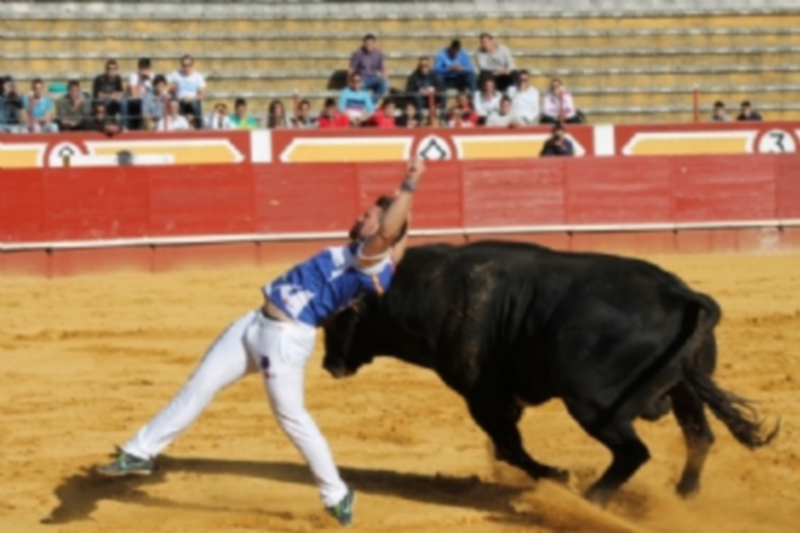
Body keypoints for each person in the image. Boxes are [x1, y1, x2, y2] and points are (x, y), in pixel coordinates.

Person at [96, 158, 427, 528]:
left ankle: (336, 493)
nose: (361, 217)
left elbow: (388, 235)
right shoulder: (379, 259)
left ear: (380, 227)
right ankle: (140, 452)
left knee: (292, 418)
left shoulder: (368, 259)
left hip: (285, 339)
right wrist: (406, 205)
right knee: (200, 385)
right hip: (254, 325)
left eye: (368, 215)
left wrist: (410, 185)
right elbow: (397, 239)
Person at [167, 55, 206, 129]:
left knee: (194, 103)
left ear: (192, 65)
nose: (186, 68)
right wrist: (171, 92)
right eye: (184, 65)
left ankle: (198, 124)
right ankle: (179, 125)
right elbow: (164, 81)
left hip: (193, 101)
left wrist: (191, 98)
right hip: (180, 101)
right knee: (175, 103)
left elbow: (202, 94)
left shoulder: (198, 77)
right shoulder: (176, 74)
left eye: (189, 65)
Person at [406, 56, 445, 124]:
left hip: (432, 98)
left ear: (428, 66)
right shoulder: (414, 76)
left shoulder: (433, 75)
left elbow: (441, 87)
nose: (423, 68)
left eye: (425, 65)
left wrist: (432, 90)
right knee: (417, 95)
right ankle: (420, 118)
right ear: (419, 66)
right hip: (420, 100)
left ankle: (443, 118)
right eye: (422, 66)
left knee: (443, 95)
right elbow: (408, 90)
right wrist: (419, 91)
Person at [349, 34, 387, 104]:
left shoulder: (378, 53)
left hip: (374, 77)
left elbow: (382, 68)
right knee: (361, 89)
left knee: (384, 85)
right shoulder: (359, 53)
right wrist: (350, 80)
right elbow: (352, 68)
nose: (369, 45)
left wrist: (385, 77)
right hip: (362, 78)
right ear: (364, 44)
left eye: (371, 43)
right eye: (367, 43)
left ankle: (370, 103)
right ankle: (368, 105)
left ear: (374, 44)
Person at [123, 57, 153, 130]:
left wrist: (149, 79)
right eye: (142, 67)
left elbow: (156, 92)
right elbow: (133, 94)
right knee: (137, 103)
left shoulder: (152, 77)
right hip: (135, 101)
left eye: (146, 67)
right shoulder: (134, 76)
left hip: (147, 102)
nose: (144, 70)